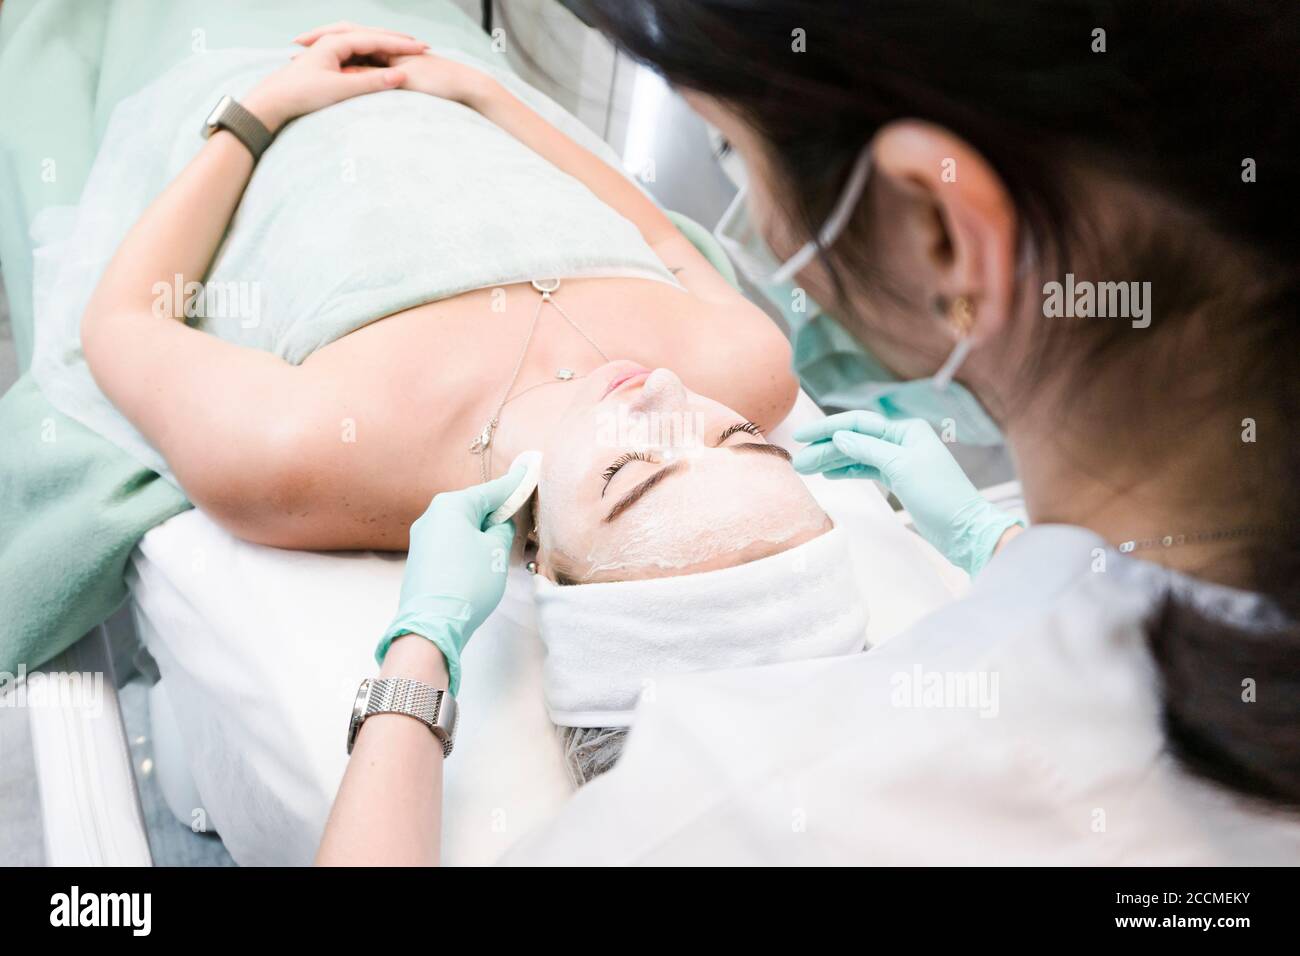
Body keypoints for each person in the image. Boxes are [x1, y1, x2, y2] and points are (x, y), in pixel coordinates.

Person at [318, 2, 1300, 865]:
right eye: (748, 436)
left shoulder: (729, 810)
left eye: (735, 156)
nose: (667, 391)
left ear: (940, 234)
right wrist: (1000, 547)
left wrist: (418, 658)